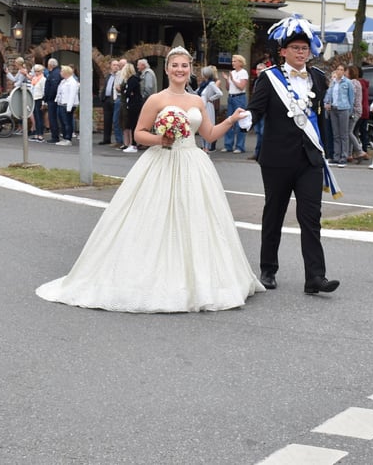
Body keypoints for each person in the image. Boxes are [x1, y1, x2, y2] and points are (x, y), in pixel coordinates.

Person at [35, 46, 264, 312]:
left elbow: (210, 135)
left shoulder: (197, 101)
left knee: (197, 220)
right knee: (155, 218)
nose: (180, 70)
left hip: (192, 163)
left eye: (184, 65)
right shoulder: (156, 99)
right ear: (167, 69)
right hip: (161, 161)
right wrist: (160, 139)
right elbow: (141, 133)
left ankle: (200, 280)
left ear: (190, 69)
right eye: (175, 65)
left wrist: (232, 120)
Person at [245, 15, 341, 295]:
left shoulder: (319, 79)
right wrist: (246, 118)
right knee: (273, 214)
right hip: (277, 160)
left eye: (305, 48)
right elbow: (256, 109)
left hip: (309, 159)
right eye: (296, 48)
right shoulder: (269, 78)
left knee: (310, 216)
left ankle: (315, 276)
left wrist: (327, 151)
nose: (301, 53)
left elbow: (321, 119)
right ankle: (268, 269)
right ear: (283, 51)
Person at [324, 65, 355, 166]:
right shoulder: (333, 82)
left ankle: (344, 156)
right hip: (334, 109)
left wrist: (350, 111)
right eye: (338, 69)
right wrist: (327, 103)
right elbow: (329, 94)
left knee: (344, 134)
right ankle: (336, 156)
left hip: (344, 108)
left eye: (342, 70)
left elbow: (351, 98)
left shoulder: (347, 82)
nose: (339, 71)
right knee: (336, 134)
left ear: (344, 72)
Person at [223, 54, 248, 154]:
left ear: (240, 63)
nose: (233, 63)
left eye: (235, 61)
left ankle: (240, 146)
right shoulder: (232, 72)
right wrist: (227, 80)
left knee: (240, 122)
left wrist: (232, 79)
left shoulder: (243, 73)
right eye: (232, 61)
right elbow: (228, 88)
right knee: (229, 121)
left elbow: (241, 87)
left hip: (239, 98)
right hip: (231, 97)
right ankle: (228, 145)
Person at [347, 64, 371, 162]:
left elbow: (351, 98)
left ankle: (359, 151)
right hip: (362, 110)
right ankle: (351, 154)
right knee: (355, 132)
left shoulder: (353, 83)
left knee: (349, 132)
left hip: (355, 110)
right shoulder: (360, 83)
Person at [197, 65, 222, 152]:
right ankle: (203, 146)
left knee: (207, 125)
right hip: (202, 106)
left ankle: (207, 147)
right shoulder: (203, 84)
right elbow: (195, 93)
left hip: (208, 106)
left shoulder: (211, 84)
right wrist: (187, 86)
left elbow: (219, 93)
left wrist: (210, 99)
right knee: (201, 125)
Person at [54, 65, 79, 146]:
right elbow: (59, 92)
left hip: (67, 105)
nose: (60, 73)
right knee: (62, 121)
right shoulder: (63, 81)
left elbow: (72, 95)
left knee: (67, 122)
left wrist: (69, 107)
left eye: (62, 71)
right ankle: (64, 137)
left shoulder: (72, 82)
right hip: (61, 103)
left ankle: (68, 138)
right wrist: (57, 100)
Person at [42, 58, 62, 143]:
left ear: (50, 65)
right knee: (53, 118)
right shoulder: (55, 73)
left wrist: (48, 97)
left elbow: (53, 87)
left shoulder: (55, 74)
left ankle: (55, 137)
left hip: (53, 100)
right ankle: (55, 135)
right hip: (53, 99)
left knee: (53, 118)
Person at [98, 60, 118, 145]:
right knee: (107, 120)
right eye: (114, 65)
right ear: (111, 66)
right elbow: (105, 86)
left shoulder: (119, 76)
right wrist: (102, 97)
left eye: (117, 65)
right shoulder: (108, 76)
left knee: (116, 120)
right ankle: (106, 139)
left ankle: (118, 140)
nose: (115, 67)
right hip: (106, 100)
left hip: (114, 99)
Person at [29, 64, 47, 141]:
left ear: (41, 71)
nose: (36, 73)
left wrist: (43, 103)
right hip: (34, 99)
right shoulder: (34, 79)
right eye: (35, 71)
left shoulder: (43, 79)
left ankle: (41, 134)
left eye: (38, 71)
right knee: (36, 117)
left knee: (39, 117)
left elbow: (44, 91)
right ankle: (36, 133)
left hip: (39, 99)